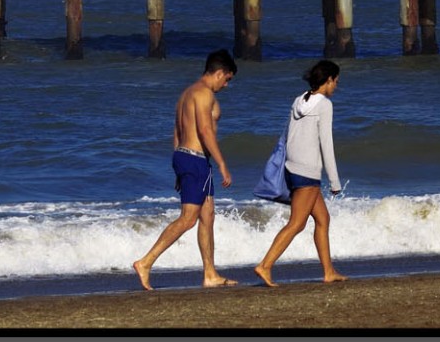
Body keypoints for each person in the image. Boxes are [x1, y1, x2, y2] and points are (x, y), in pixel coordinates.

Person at [132, 49, 238, 291]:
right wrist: (222, 163)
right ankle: (146, 262)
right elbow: (205, 130)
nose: (226, 85)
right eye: (227, 79)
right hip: (195, 159)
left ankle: (210, 273)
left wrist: (179, 165)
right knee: (189, 219)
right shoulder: (203, 94)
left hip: (187, 157)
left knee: (207, 214)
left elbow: (177, 133)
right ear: (219, 73)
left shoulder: (186, 94)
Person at [254, 60, 347, 287]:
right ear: (327, 81)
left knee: (323, 219)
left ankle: (328, 271)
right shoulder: (324, 105)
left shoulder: (299, 99)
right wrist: (334, 181)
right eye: (335, 81)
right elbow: (327, 144)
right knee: (297, 223)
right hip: (307, 172)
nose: (336, 86)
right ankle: (265, 265)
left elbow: (287, 136)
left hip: (293, 167)